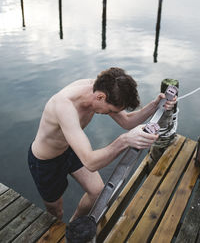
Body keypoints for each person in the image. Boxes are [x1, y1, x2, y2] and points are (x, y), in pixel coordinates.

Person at [28, 67, 176, 221]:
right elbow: (90, 162)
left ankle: (73, 225)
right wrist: (125, 140)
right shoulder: (64, 105)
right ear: (100, 97)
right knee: (56, 213)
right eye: (110, 110)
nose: (110, 113)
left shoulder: (105, 89)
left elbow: (127, 122)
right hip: (46, 161)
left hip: (70, 149)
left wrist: (155, 106)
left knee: (97, 192)